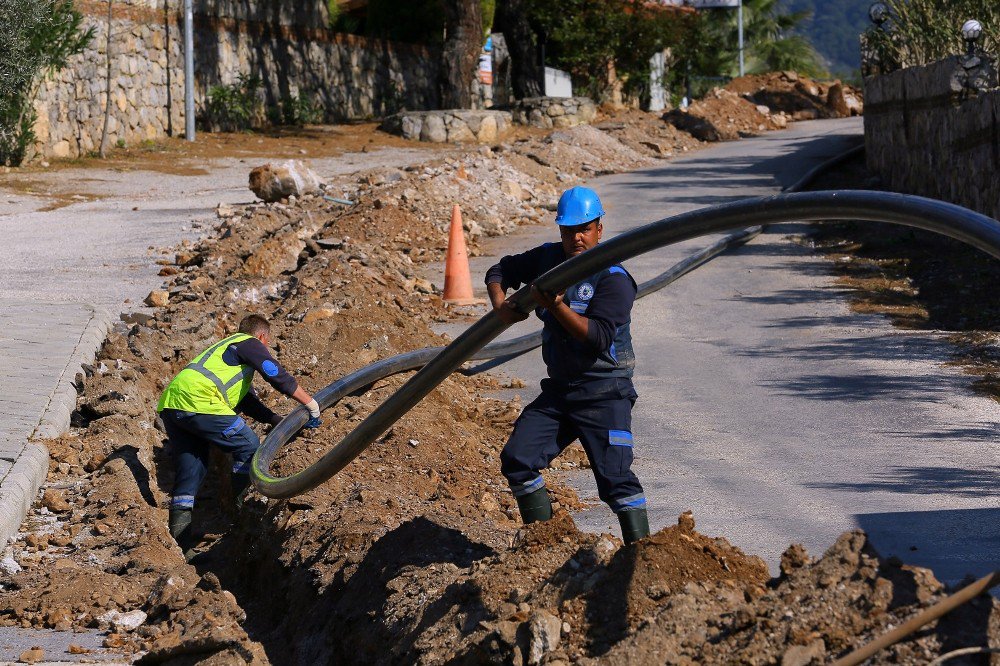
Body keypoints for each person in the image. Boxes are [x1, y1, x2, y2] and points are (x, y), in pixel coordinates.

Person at [485, 186, 650, 544]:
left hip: (605, 392)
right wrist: (500, 303)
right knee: (518, 458)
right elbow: (502, 268)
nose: (576, 237)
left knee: (615, 481)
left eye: (584, 229)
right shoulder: (549, 258)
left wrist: (556, 306)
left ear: (599, 229)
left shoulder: (614, 279)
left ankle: (640, 560)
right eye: (568, 230)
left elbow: (597, 338)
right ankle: (541, 549)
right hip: (561, 390)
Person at [156, 314, 322, 557]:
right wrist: (311, 404)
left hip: (173, 405)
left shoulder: (226, 351)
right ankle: (234, 514)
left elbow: (247, 400)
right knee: (248, 444)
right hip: (200, 401)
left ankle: (182, 546)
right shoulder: (249, 343)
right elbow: (275, 373)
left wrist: (274, 419)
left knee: (192, 469)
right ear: (262, 337)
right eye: (267, 344)